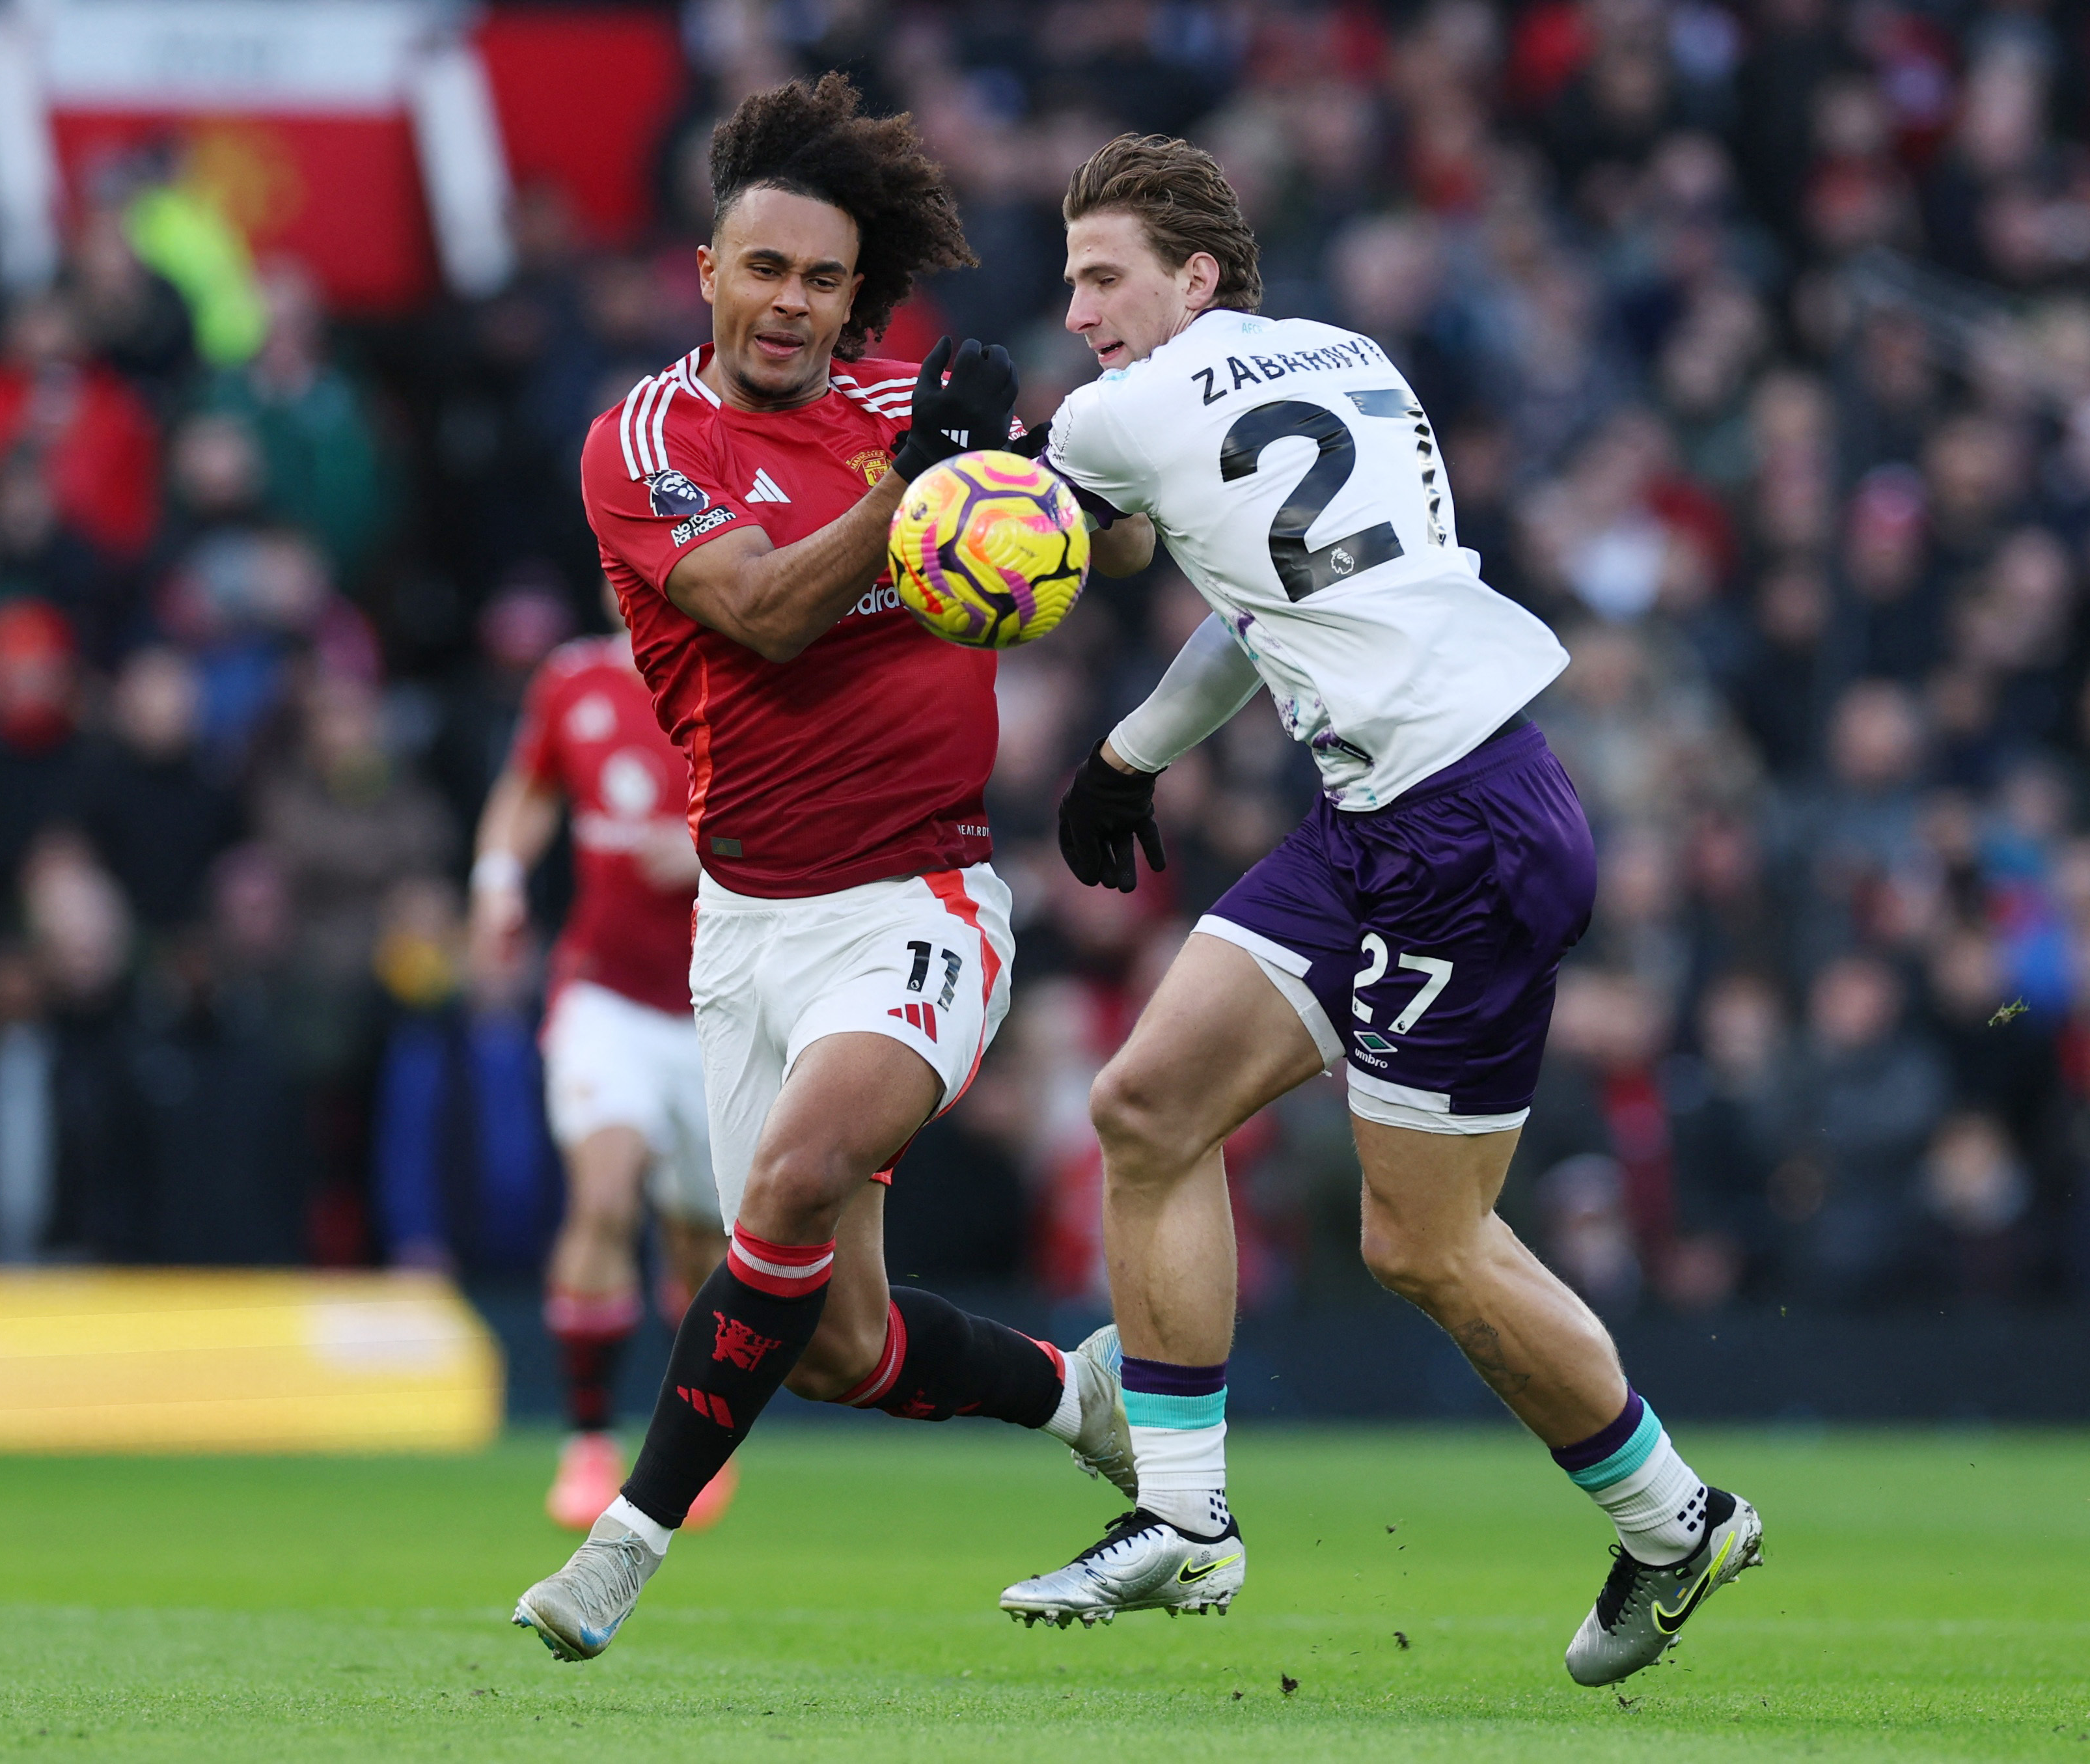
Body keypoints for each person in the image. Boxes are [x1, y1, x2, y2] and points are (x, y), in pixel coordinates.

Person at [998, 135, 1763, 1687]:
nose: (1078, 310)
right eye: (1071, 281)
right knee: (1148, 1106)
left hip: (1458, 830)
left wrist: (948, 459)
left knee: (1423, 1243)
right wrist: (1130, 753)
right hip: (1394, 807)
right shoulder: (1349, 354)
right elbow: (1256, 600)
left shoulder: (1113, 409)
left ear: (1196, 276)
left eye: (1103, 277)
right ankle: (1185, 1516)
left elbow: (1019, 531)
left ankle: (1678, 1517)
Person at [512, 74, 1134, 1664]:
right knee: (838, 1339)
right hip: (748, 923)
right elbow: (770, 610)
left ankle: (624, 1540)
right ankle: (1082, 1396)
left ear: (860, 297)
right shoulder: (644, 440)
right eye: (766, 268)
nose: (791, 302)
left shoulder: (900, 417)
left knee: (783, 1188)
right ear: (707, 271)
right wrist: (917, 487)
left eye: (824, 279)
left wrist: (1063, 467)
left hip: (919, 899)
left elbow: (1110, 540)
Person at [469, 625, 739, 1532]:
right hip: (605, 997)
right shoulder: (573, 681)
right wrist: (499, 879)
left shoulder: (747, 672)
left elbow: (817, 811)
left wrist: (707, 847)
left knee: (699, 1244)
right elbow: (530, 784)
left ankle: (685, 1443)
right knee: (603, 1197)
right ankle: (586, 1443)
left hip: (720, 1003)